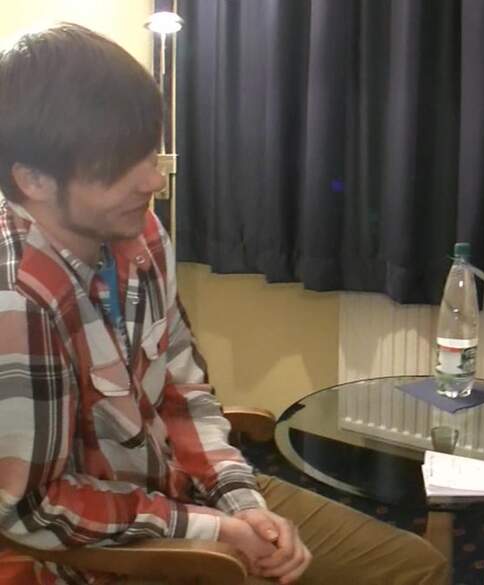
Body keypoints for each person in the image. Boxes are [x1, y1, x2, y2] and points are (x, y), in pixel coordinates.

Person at [0, 23, 447, 585]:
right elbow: (33, 506)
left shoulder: (141, 236)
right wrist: (211, 532)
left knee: (417, 568)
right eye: (116, 168)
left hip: (184, 489)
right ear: (34, 180)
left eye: (149, 152)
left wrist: (242, 504)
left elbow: (183, 392)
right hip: (109, 545)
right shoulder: (17, 299)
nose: (153, 180)